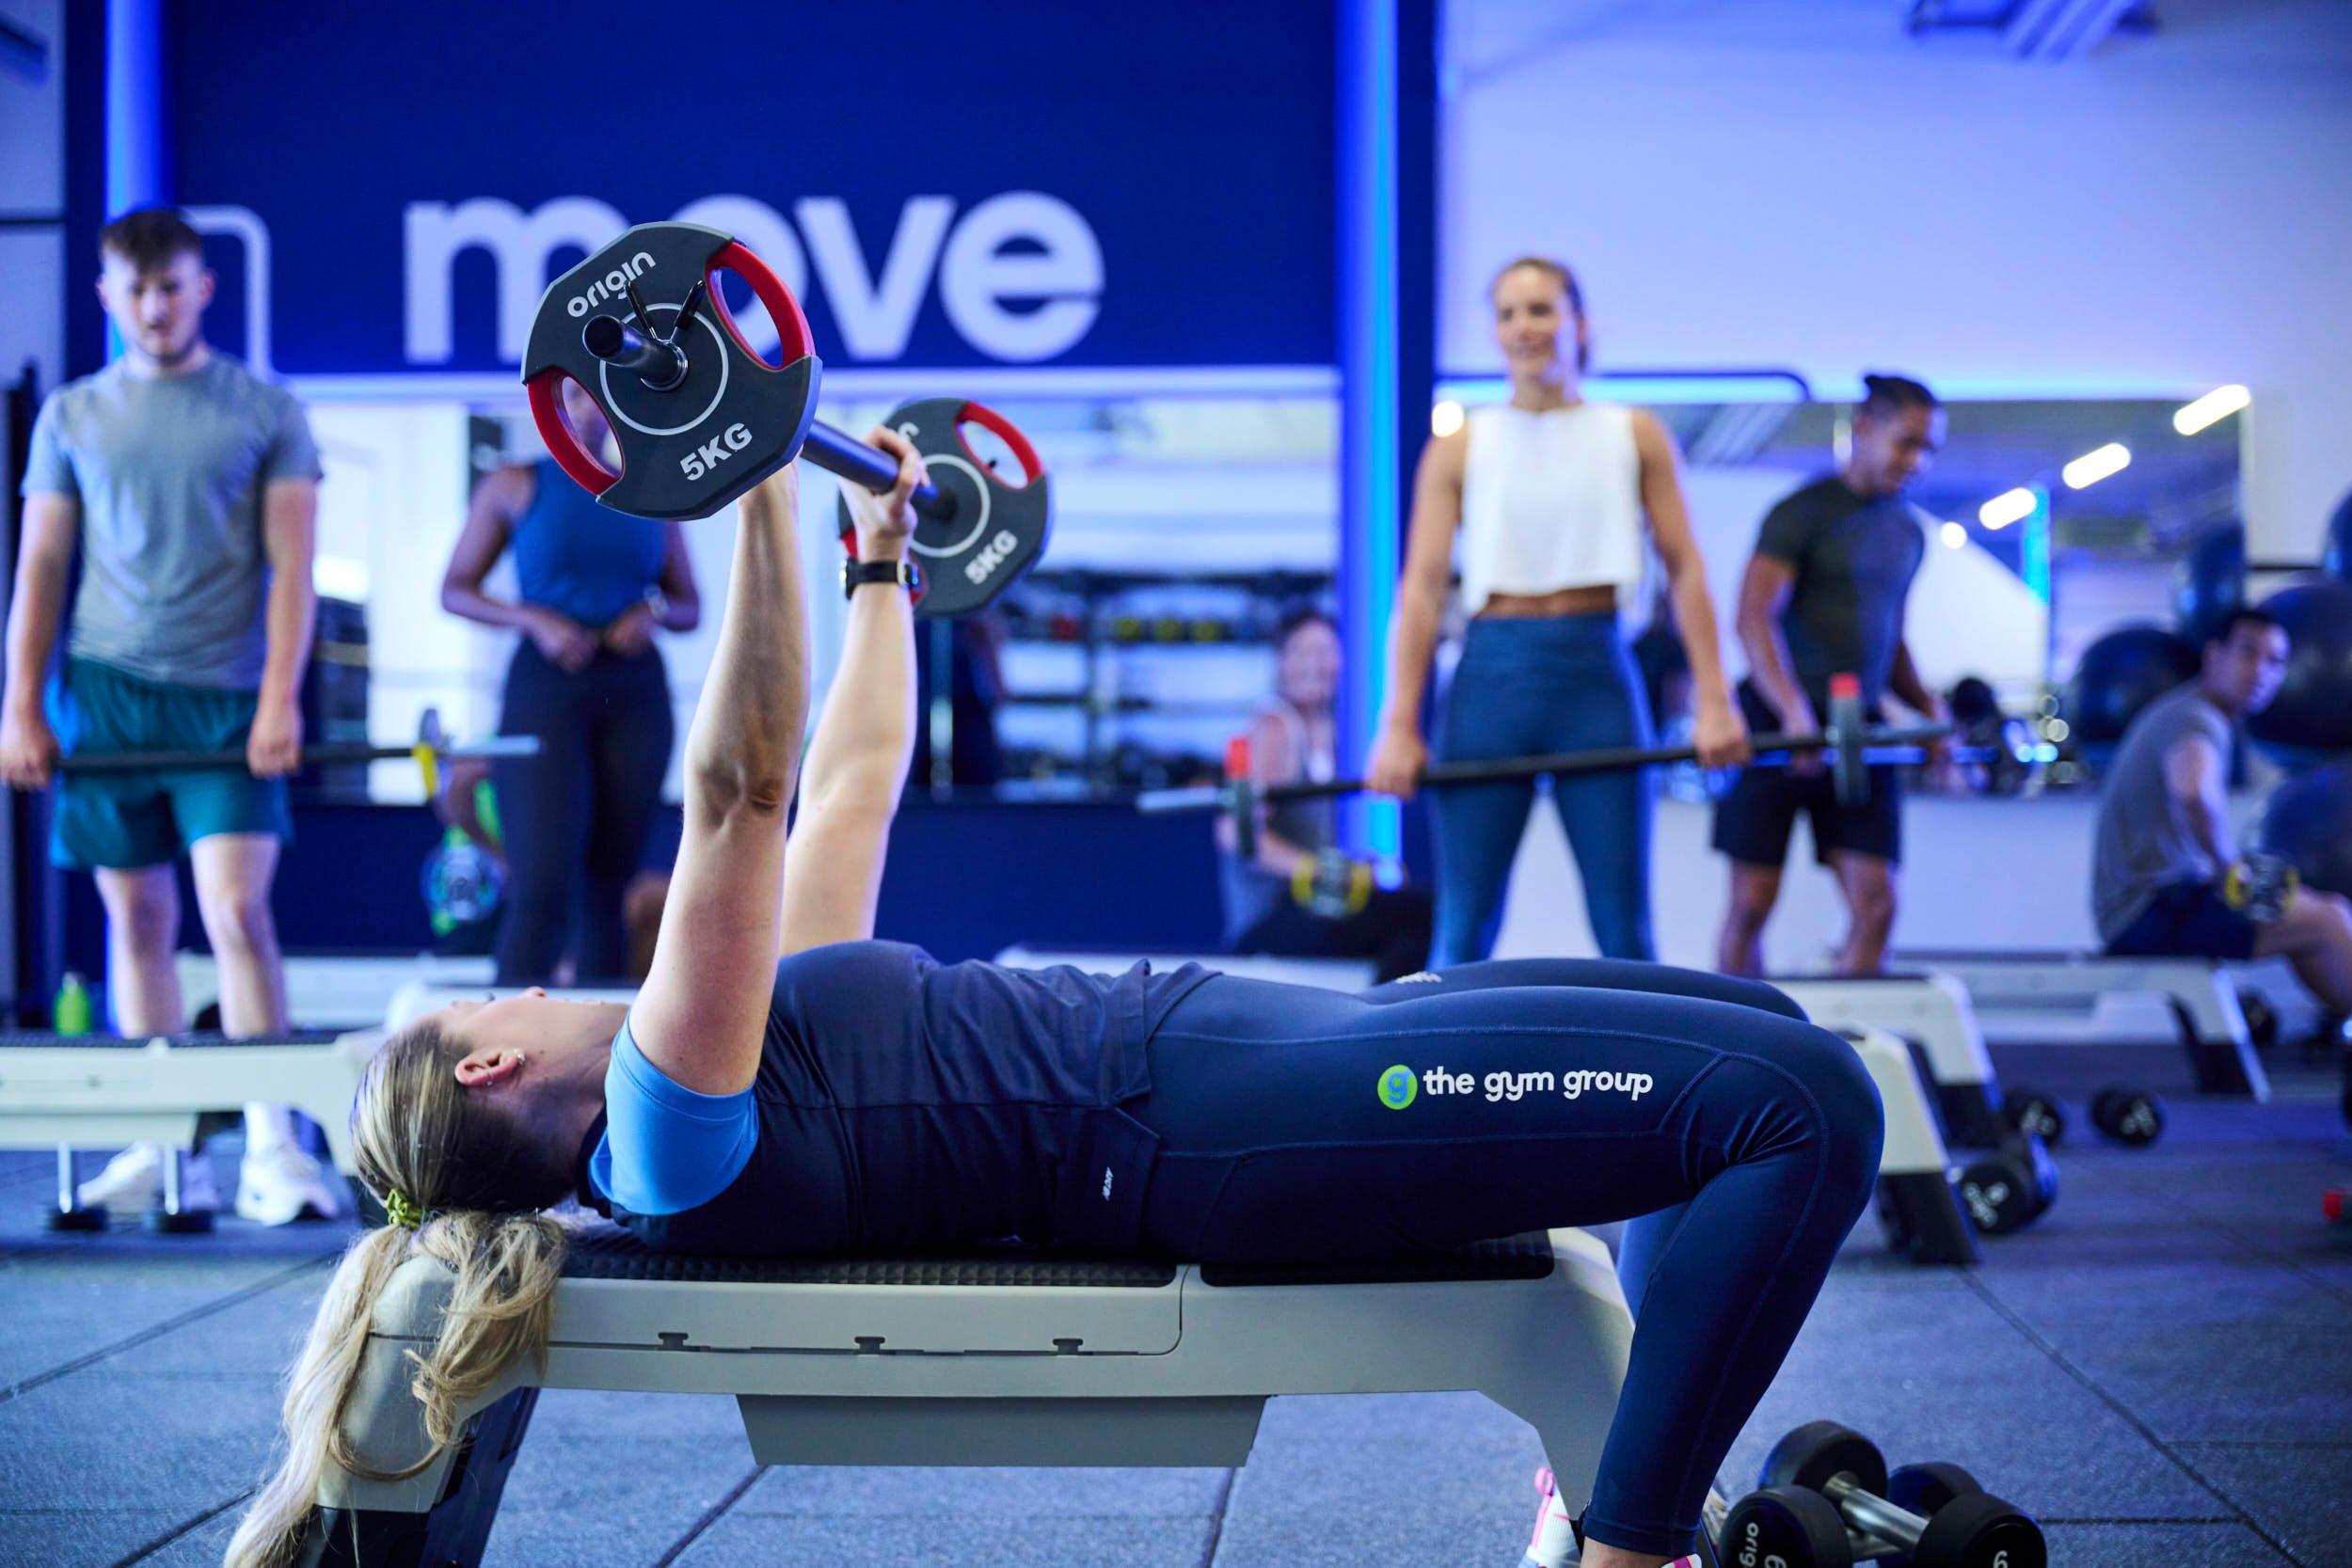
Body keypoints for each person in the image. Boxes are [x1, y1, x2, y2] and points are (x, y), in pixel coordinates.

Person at [230, 437, 1885, 1568]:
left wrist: (876, 560)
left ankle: (1635, 1469)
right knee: (1805, 1113)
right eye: (486, 997)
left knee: (1768, 1034)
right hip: (1217, 1121)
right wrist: (742, 493)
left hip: (1237, 1051)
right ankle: (1628, 1537)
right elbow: (738, 783)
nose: (517, 976)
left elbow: (848, 785)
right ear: (503, 1058)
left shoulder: (727, 1048)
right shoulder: (661, 1122)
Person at [1, 206, 339, 1226]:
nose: (155, 306)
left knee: (235, 911)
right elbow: (44, 565)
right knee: (137, 921)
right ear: (111, 296)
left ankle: (272, 1145)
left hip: (228, 701)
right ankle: (164, 1148)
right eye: (136, 290)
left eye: (173, 286)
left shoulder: (264, 408)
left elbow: (293, 568)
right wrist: (21, 699)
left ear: (204, 289)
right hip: (105, 694)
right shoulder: (69, 416)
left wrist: (279, 694)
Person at [1370, 256, 1749, 966]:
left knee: (1624, 927)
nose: (1523, 327)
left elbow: (1687, 570)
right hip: (1489, 681)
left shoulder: (1632, 433)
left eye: (1540, 309)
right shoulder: (1461, 444)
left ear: (1579, 322)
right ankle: (1453, 1074)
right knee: (1463, 927)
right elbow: (1420, 587)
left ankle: (1647, 1076)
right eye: (1507, 313)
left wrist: (1716, 700)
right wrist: (1398, 724)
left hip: (1595, 676)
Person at [441, 382, 700, 984]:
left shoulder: (652, 489)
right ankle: (500, 1053)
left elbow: (689, 604)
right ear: (556, 408)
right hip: (547, 682)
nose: (591, 412)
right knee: (542, 885)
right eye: (578, 399)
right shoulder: (514, 483)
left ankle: (601, 1062)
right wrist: (532, 618)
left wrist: (652, 614)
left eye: (604, 399)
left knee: (608, 889)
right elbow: (455, 588)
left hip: (632, 688)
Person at [1715, 374, 1952, 978]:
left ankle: (1844, 1056)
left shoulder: (1908, 532)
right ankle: (1745, 1045)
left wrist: (1929, 713)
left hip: (1857, 725)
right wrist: (1793, 711)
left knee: (1877, 904)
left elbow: (1890, 640)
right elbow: (1752, 618)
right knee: (1751, 903)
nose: (1917, 461)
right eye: (1907, 443)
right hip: (1778, 720)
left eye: (1929, 449)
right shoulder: (1801, 513)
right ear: (1865, 431)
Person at [2093, 610, 2352, 1011]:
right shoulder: (2196, 718)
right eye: (2248, 654)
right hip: (2154, 911)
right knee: (2328, 920)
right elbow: (2193, 791)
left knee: (2322, 913)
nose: (2261, 671)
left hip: (2168, 900)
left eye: (2275, 661)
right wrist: (2228, 869)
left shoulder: (2194, 712)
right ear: (2214, 655)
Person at [1217, 605, 1434, 982]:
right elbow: (1236, 834)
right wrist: (1318, 869)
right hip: (1269, 916)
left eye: (1323, 652)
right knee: (1422, 914)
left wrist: (1356, 867)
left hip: (1313, 904)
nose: (1312, 664)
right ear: (1281, 662)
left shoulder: (1330, 728)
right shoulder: (1275, 726)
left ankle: (1380, 1017)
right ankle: (1380, 1024)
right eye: (1300, 653)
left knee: (1415, 915)